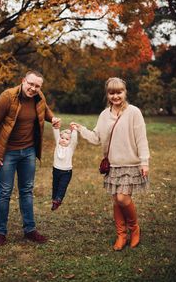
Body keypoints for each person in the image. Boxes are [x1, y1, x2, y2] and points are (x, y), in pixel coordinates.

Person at [71, 77, 149, 251]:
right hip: (113, 165)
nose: (116, 96)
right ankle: (121, 234)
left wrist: (144, 162)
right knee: (116, 200)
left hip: (131, 164)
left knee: (123, 198)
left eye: (119, 92)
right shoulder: (104, 115)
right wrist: (81, 129)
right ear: (107, 94)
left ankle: (134, 228)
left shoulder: (134, 112)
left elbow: (141, 139)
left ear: (125, 92)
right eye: (112, 92)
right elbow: (97, 138)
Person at [0, 70, 61, 246]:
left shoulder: (38, 95)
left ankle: (30, 230)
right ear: (23, 81)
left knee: (26, 191)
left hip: (28, 152)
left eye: (37, 86)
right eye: (31, 84)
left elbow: (45, 110)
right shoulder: (7, 96)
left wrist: (53, 118)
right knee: (5, 192)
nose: (33, 88)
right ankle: (0, 232)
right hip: (7, 153)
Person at [51, 126, 78, 211]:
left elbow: (74, 140)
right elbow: (56, 132)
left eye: (66, 139)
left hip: (66, 172)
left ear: (70, 141)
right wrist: (56, 125)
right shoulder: (57, 145)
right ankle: (54, 200)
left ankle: (58, 200)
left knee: (62, 187)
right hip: (56, 170)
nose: (63, 140)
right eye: (62, 138)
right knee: (55, 186)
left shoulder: (70, 148)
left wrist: (74, 130)